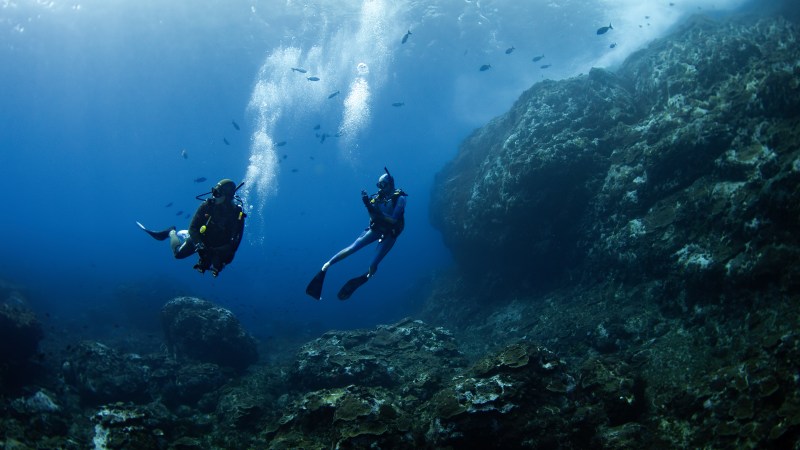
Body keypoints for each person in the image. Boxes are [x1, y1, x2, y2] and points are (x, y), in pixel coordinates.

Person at [306, 167, 407, 300]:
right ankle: (326, 266)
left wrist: (377, 212)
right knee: (352, 248)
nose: (380, 188)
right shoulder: (377, 198)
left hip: (390, 233)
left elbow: (394, 220)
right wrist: (368, 206)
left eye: (383, 185)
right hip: (376, 229)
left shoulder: (399, 199)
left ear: (390, 184)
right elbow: (372, 218)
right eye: (379, 185)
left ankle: (367, 276)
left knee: (372, 264)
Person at [137, 178, 246, 277]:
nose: (213, 196)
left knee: (218, 264)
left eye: (217, 193)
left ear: (227, 196)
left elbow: (235, 242)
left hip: (217, 245)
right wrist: (200, 245)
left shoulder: (237, 214)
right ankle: (171, 232)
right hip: (200, 238)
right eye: (213, 191)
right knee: (178, 254)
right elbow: (193, 228)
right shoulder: (207, 206)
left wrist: (220, 255)